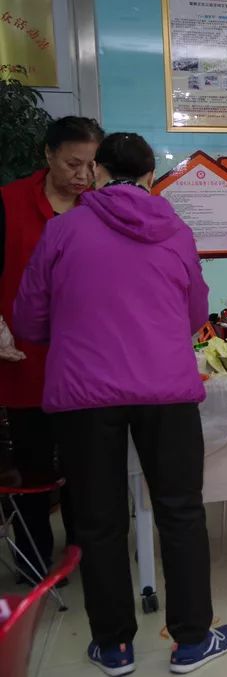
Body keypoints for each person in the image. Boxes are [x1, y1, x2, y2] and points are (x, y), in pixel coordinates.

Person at [13, 132, 227, 676]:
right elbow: (193, 314)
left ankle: (113, 648)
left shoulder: (63, 230)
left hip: (84, 395)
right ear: (149, 176)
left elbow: (27, 321)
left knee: (97, 520)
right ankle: (190, 642)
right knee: (181, 511)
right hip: (166, 389)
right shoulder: (175, 231)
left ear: (98, 171)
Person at [0, 115, 103, 585]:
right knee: (35, 466)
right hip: (25, 360)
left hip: (88, 365)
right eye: (72, 163)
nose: (82, 175)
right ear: (47, 155)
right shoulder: (9, 202)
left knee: (85, 466)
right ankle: (35, 560)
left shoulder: (102, 207)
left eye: (91, 165)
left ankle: (84, 553)